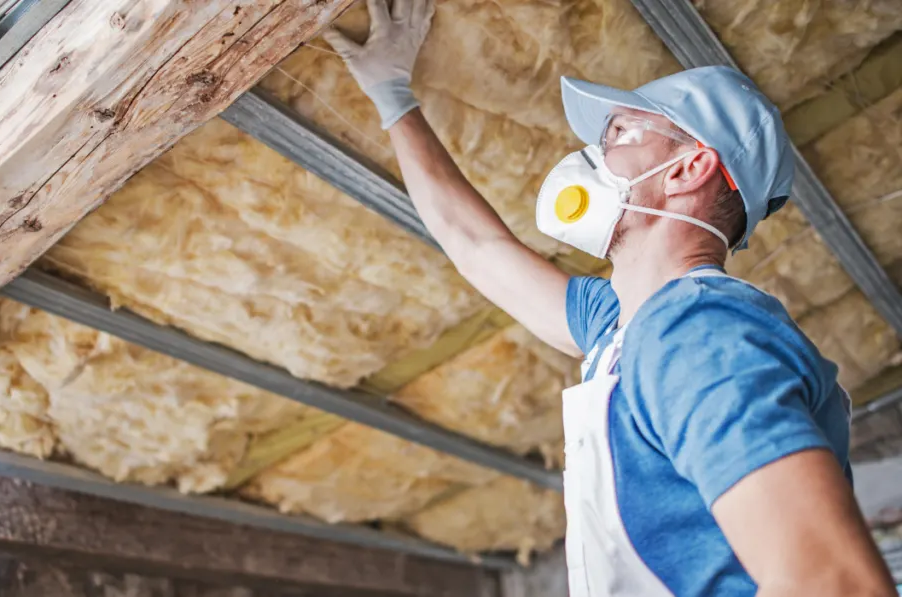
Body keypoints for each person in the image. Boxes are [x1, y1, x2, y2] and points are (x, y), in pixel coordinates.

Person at [323, 0, 898, 594]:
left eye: (620, 133)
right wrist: (393, 98)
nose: (592, 155)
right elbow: (476, 246)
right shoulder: (622, 329)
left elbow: (835, 584)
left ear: (688, 170)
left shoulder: (700, 333)